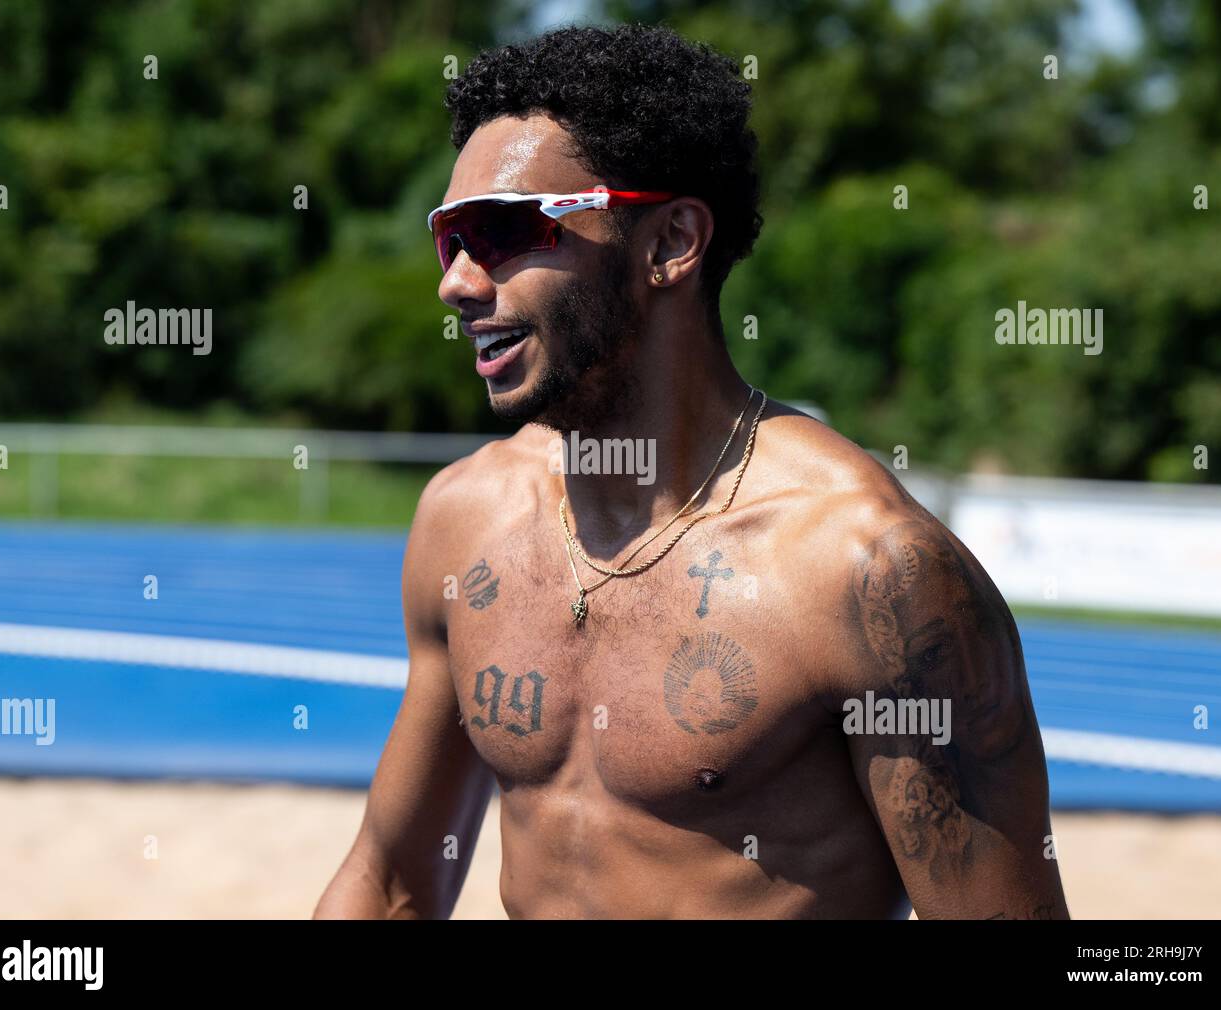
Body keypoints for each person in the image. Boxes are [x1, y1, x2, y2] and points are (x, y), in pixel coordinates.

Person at [315, 23, 1068, 920]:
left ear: (671, 241)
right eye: (451, 237)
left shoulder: (869, 573)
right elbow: (391, 881)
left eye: (505, 229)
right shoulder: (464, 518)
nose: (458, 282)